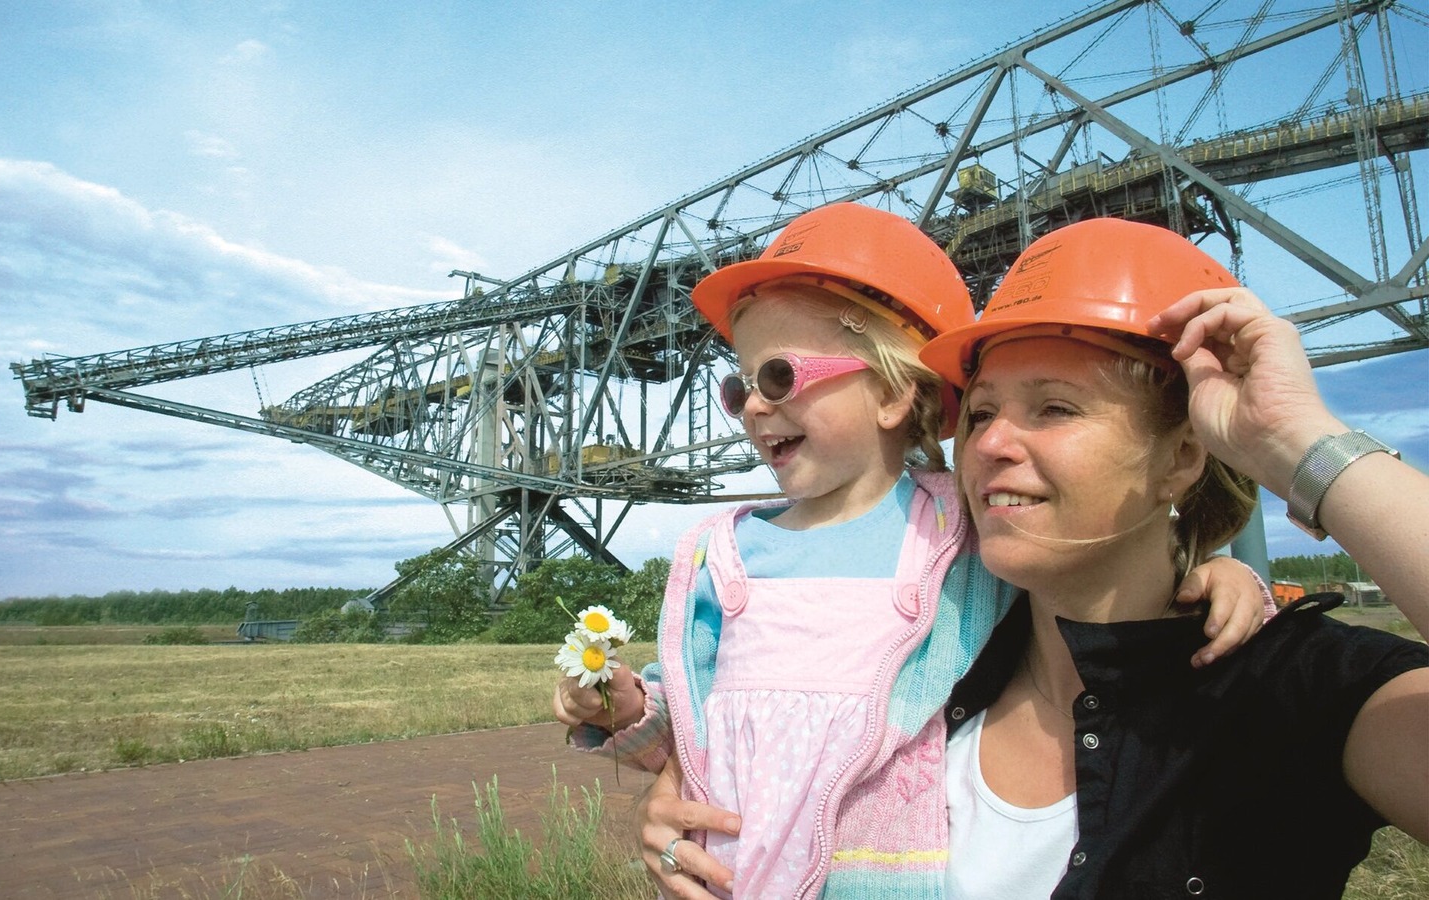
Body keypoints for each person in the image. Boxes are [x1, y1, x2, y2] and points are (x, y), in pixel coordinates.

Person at [553, 206, 1275, 899]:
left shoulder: (958, 526)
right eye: (738, 388)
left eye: (779, 377)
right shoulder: (728, 554)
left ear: (896, 395)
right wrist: (630, 713)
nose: (753, 408)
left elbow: (1088, 568)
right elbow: (704, 728)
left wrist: (1211, 572)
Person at [912, 217, 1429, 897]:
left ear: (1183, 456)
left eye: (1056, 409)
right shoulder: (919, 672)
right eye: (979, 414)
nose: (990, 444)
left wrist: (1294, 439)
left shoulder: (1289, 692)